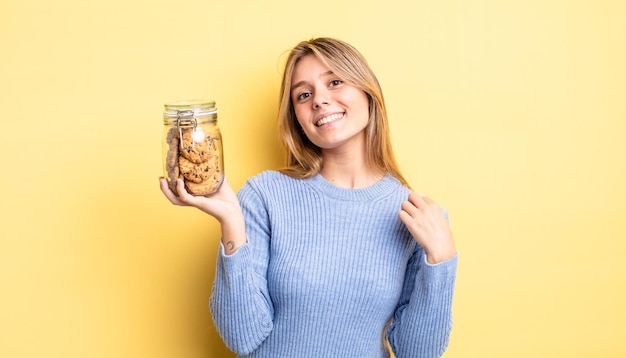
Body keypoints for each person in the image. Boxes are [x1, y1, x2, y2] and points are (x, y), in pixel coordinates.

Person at [159, 37, 458, 358]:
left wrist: (442, 259)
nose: (319, 100)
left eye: (335, 81)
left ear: (368, 94)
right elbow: (242, 337)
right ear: (297, 119)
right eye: (304, 94)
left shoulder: (419, 216)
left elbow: (418, 353)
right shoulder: (265, 196)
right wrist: (231, 220)